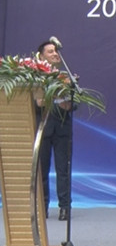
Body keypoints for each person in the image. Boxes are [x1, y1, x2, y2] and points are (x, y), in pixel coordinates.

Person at [36, 40, 73, 221]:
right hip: (42, 128)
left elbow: (72, 105)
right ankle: (42, 207)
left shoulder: (66, 77)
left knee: (63, 170)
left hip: (62, 128)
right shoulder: (34, 77)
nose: (54, 54)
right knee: (42, 170)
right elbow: (37, 103)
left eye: (56, 51)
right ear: (41, 56)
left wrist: (65, 96)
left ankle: (65, 207)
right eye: (50, 51)